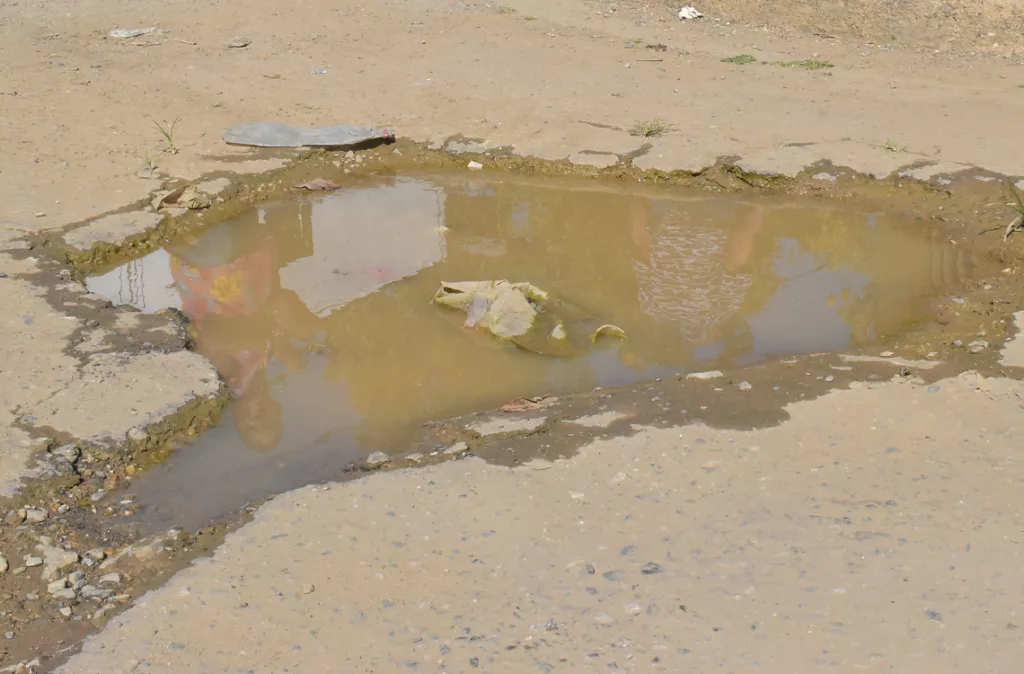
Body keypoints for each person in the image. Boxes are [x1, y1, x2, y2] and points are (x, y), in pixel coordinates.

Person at [168, 214, 318, 452]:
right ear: (276, 408)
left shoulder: (226, 382)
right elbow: (279, 306)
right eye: (266, 419)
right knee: (241, 216)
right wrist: (289, 333)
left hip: (211, 264)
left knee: (224, 238)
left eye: (251, 424)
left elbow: (211, 336)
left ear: (237, 420)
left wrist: (269, 332)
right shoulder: (261, 368)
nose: (256, 415)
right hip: (244, 259)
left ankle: (179, 228)